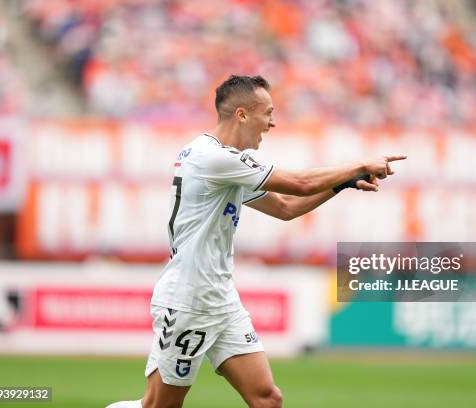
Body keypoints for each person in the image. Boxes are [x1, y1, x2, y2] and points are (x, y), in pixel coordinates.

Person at [107, 75, 405, 408]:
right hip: (189, 301)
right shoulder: (213, 158)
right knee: (159, 407)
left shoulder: (226, 162)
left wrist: (343, 183)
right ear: (242, 114)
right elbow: (300, 183)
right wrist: (360, 164)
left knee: (267, 399)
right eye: (268, 112)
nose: (273, 122)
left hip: (219, 298)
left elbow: (285, 207)